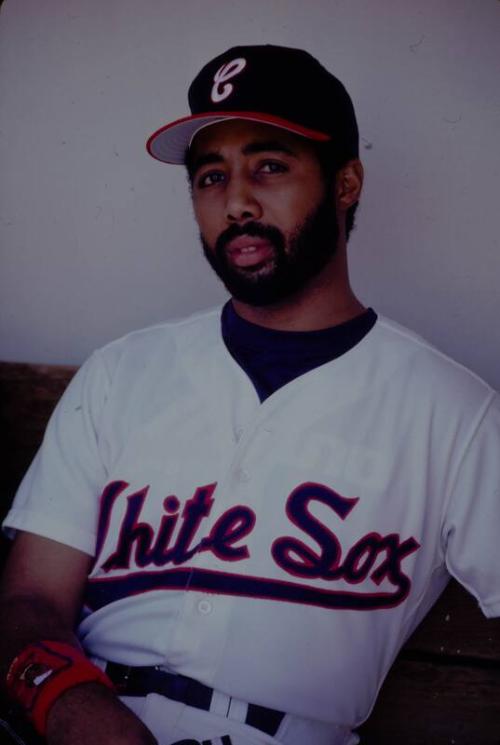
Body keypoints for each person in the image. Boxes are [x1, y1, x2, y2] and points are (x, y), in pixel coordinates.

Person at [0, 44, 499, 745]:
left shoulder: (455, 414)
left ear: (346, 182)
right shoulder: (122, 373)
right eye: (211, 176)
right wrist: (81, 715)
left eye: (269, 166)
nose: (235, 201)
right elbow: (29, 600)